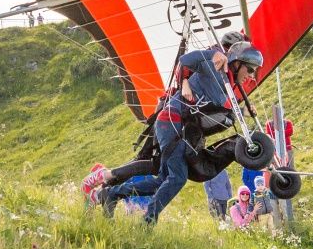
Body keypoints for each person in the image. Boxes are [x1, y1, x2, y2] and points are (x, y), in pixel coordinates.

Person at [101, 37, 263, 224]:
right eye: (250, 69)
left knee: (164, 180)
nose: (251, 75)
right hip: (172, 121)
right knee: (177, 178)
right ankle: (147, 221)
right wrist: (209, 57)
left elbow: (212, 113)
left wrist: (242, 112)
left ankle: (112, 194)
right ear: (236, 62)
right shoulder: (215, 66)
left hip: (181, 127)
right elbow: (185, 60)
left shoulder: (227, 85)